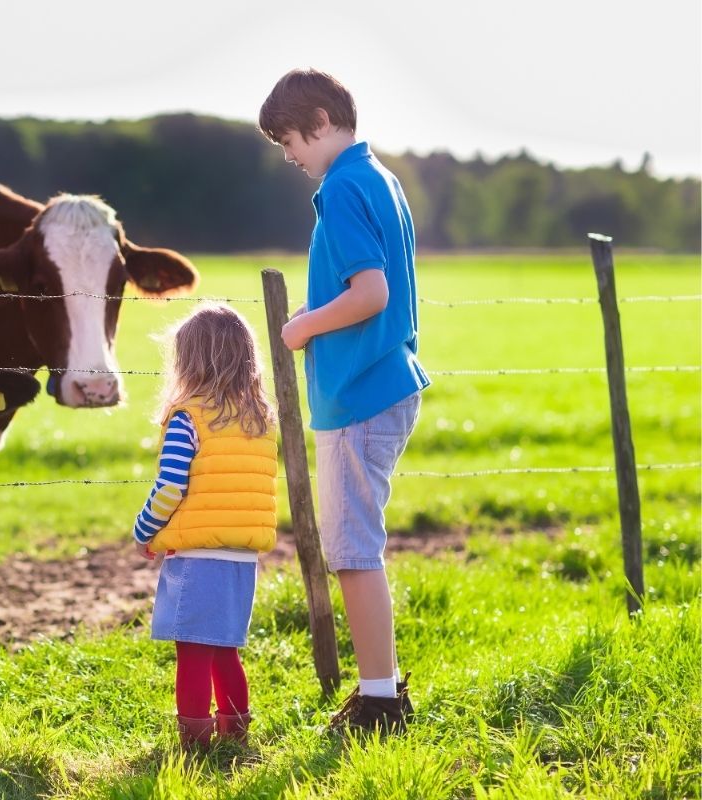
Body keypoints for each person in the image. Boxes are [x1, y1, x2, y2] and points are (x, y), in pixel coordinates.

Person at [259, 68, 430, 735]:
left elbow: (372, 294)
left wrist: (302, 326)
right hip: (378, 381)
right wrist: (318, 311)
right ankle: (380, 690)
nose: (288, 154)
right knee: (354, 548)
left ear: (322, 120)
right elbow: (361, 287)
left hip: (361, 390)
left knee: (353, 552)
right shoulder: (378, 177)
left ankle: (381, 703)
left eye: (290, 139)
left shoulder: (343, 185)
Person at [132, 303, 278, 751]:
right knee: (224, 649)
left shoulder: (188, 416)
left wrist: (144, 530)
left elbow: (171, 484)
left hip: (197, 557)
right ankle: (234, 734)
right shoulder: (259, 418)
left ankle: (193, 742)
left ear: (187, 362)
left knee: (192, 652)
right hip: (242, 557)